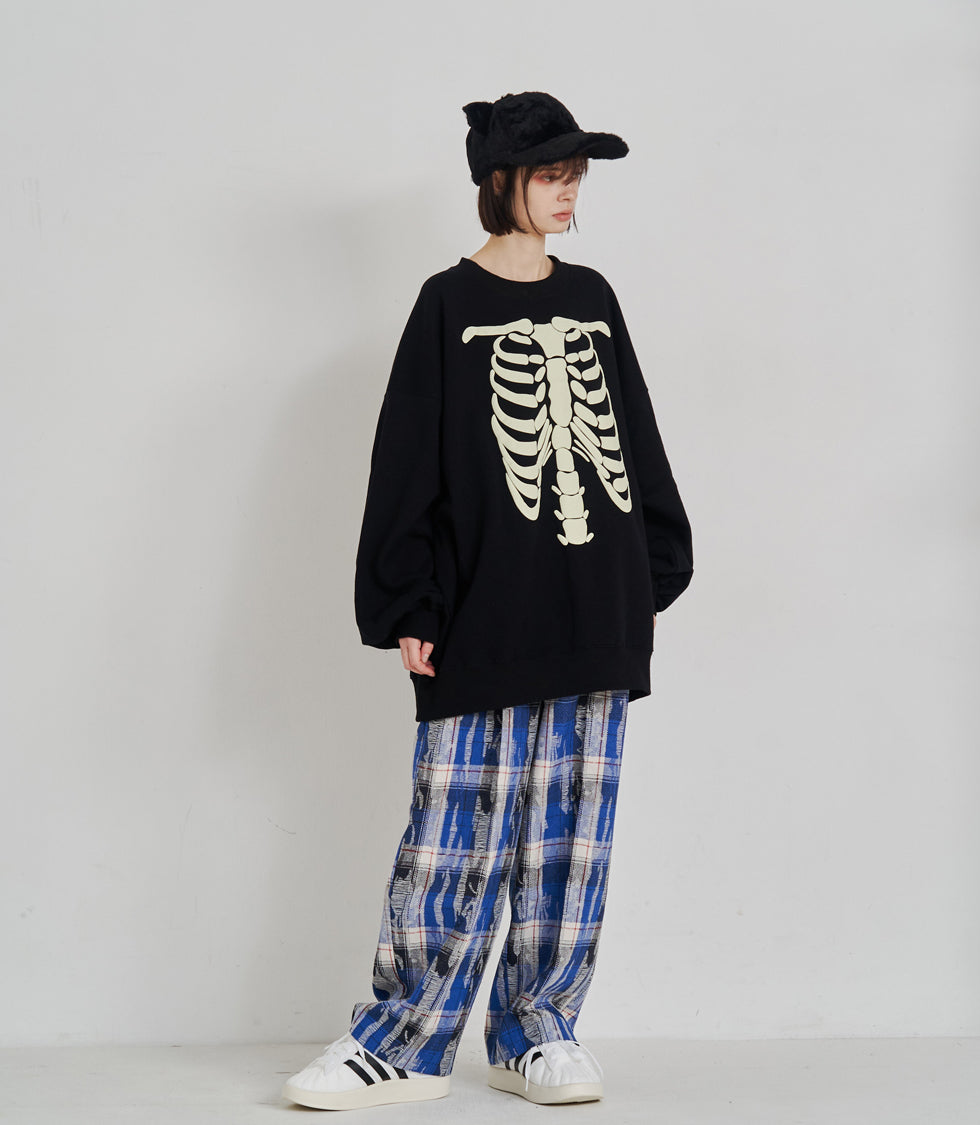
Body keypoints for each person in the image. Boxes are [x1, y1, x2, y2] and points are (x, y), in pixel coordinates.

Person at [282, 90, 694, 1112]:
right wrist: (409, 603)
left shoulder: (592, 296)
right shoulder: (446, 305)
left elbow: (634, 438)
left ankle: (538, 1030)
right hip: (484, 611)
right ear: (499, 182)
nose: (568, 192)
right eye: (550, 174)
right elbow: (407, 462)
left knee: (570, 840)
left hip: (596, 609)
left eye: (574, 175)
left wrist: (649, 574)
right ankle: (403, 1038)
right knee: (453, 836)